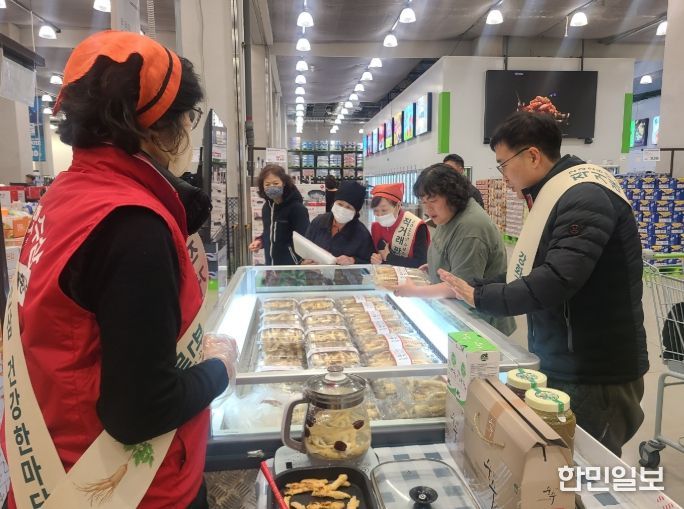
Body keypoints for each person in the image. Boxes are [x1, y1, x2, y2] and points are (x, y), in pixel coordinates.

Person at [0, 31, 236, 509]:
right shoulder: (133, 225)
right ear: (157, 126)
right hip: (127, 489)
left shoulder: (66, 196)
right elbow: (138, 411)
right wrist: (220, 370)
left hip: (53, 464)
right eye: (186, 118)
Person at [440, 111, 649, 457]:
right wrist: (476, 286)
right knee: (553, 463)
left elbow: (557, 278)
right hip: (567, 360)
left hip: (597, 373)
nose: (503, 176)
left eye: (503, 164)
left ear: (533, 156)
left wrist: (481, 296)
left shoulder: (585, 197)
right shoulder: (556, 194)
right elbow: (528, 271)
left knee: (582, 468)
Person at [394, 164, 515, 335]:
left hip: (481, 324)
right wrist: (436, 264)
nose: (428, 209)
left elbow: (460, 287)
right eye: (424, 202)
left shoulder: (471, 227)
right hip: (457, 313)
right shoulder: (448, 214)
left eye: (433, 200)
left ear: (452, 195)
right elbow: (449, 247)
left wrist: (414, 292)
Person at [249, 164, 310, 265]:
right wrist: (260, 241)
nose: (271, 187)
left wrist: (301, 262)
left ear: (284, 183)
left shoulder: (297, 208)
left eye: (276, 183)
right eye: (267, 184)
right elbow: (269, 232)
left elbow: (305, 238)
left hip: (291, 268)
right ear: (262, 186)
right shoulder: (267, 208)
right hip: (271, 266)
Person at [305, 180, 374, 265]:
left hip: (345, 274)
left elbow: (369, 262)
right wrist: (305, 262)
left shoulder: (362, 234)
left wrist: (353, 260)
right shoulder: (318, 222)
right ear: (334, 203)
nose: (342, 209)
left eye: (348, 207)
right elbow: (306, 247)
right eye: (340, 204)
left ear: (355, 212)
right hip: (315, 272)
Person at [369, 182, 429, 268]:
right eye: (375, 211)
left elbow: (421, 263)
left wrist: (389, 257)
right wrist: (376, 258)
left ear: (398, 206)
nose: (380, 215)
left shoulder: (416, 226)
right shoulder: (376, 227)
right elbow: (376, 254)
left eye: (384, 210)